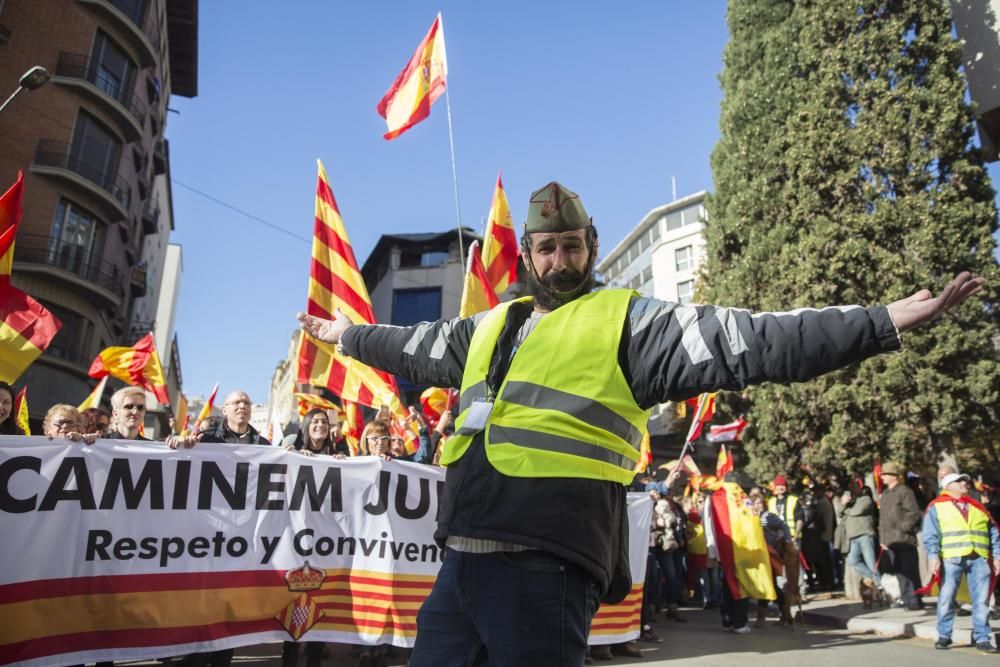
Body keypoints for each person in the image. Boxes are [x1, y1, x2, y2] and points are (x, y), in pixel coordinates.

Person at [298, 179, 983, 664]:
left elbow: (753, 340)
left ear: (591, 246)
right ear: (527, 255)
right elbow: (404, 345)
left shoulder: (630, 322)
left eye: (572, 245)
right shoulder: (488, 326)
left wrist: (879, 321)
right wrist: (342, 335)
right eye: (547, 248)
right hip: (460, 565)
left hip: (546, 568)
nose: (560, 260)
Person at [922, 472, 1000, 653]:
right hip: (952, 559)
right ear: (948, 486)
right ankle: (944, 635)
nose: (964, 483)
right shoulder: (937, 507)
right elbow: (930, 534)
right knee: (947, 598)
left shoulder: (977, 507)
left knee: (981, 601)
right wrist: (933, 557)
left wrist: (997, 556)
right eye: (959, 481)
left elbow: (994, 533)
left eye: (964, 480)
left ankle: (982, 638)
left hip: (979, 558)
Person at [705, 474, 776, 633]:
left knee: (727, 585)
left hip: (725, 549)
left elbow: (708, 524)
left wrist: (711, 550)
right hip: (745, 549)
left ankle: (728, 619)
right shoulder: (743, 497)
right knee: (741, 586)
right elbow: (754, 519)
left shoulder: (715, 496)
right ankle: (739, 622)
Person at [878, 461, 924, 610]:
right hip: (891, 541)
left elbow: (913, 514)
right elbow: (883, 519)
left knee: (909, 570)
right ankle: (906, 598)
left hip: (904, 539)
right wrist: (883, 539)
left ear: (894, 476)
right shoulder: (885, 494)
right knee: (899, 571)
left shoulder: (905, 491)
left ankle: (915, 600)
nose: (882, 477)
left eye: (885, 474)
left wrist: (903, 528)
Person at [167, 391, 270, 449]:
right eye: (237, 402)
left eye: (247, 403)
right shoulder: (205, 439)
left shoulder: (263, 445)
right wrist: (180, 443)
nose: (243, 406)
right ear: (224, 410)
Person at [840, 484, 880, 591]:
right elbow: (840, 513)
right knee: (853, 560)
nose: (853, 491)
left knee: (871, 563)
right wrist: (843, 504)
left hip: (865, 535)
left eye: (855, 488)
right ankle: (871, 577)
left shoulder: (866, 499)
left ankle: (881, 587)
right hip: (853, 537)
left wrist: (846, 509)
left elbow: (855, 512)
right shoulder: (850, 503)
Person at [768, 475, 804, 544]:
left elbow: (800, 519)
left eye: (783, 485)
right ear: (775, 487)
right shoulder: (771, 501)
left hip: (792, 537)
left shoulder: (793, 500)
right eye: (778, 485)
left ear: (786, 487)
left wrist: (796, 535)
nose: (780, 487)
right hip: (776, 538)